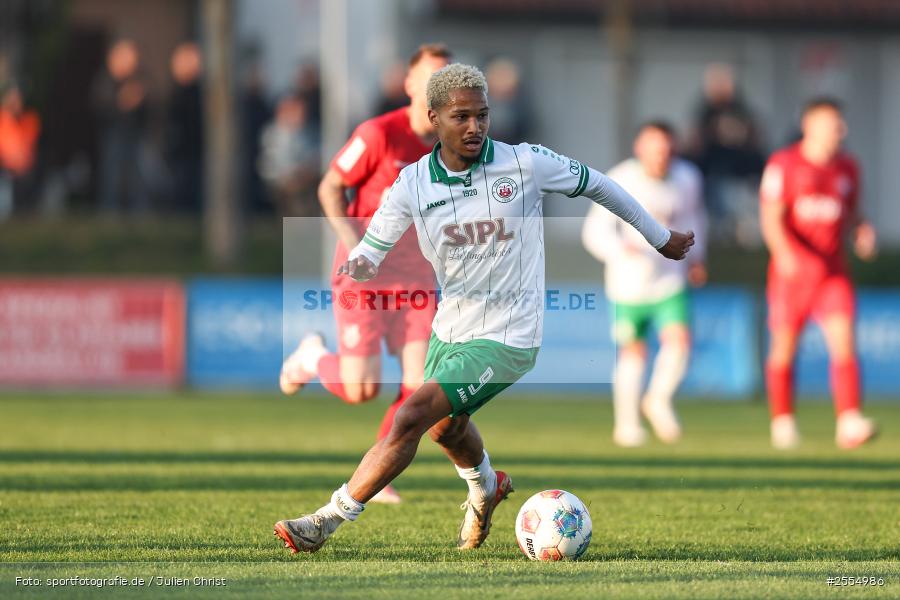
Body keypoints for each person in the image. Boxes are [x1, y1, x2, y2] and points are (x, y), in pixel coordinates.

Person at [274, 63, 694, 554]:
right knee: (443, 428)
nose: (474, 127)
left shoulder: (524, 162)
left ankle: (325, 521)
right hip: (450, 328)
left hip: (509, 336)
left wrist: (660, 238)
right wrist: (362, 263)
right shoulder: (412, 183)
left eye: (482, 115)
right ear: (433, 118)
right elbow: (374, 242)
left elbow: (600, 185)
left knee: (409, 415)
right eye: (461, 117)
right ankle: (486, 487)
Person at [278, 44, 452, 504]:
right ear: (411, 85)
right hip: (365, 276)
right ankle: (312, 358)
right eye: (431, 76)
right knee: (361, 389)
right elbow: (330, 186)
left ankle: (378, 476)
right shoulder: (379, 134)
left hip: (416, 281)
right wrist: (357, 247)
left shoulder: (456, 147)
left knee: (422, 391)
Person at [760, 97, 878, 450]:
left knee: (844, 342)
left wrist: (863, 230)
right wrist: (784, 254)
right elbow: (771, 218)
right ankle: (782, 422)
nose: (838, 130)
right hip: (791, 273)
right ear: (809, 125)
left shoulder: (848, 168)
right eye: (831, 123)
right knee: (784, 348)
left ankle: (849, 421)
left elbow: (854, 212)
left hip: (832, 271)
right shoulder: (784, 164)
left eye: (840, 123)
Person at [582, 121, 707, 447]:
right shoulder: (620, 179)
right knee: (633, 352)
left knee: (680, 342)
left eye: (666, 149)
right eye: (654, 149)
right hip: (628, 284)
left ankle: (658, 399)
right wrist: (620, 250)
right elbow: (594, 231)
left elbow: (693, 219)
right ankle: (627, 425)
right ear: (640, 148)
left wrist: (697, 258)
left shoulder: (687, 178)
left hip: (669, 279)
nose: (660, 156)